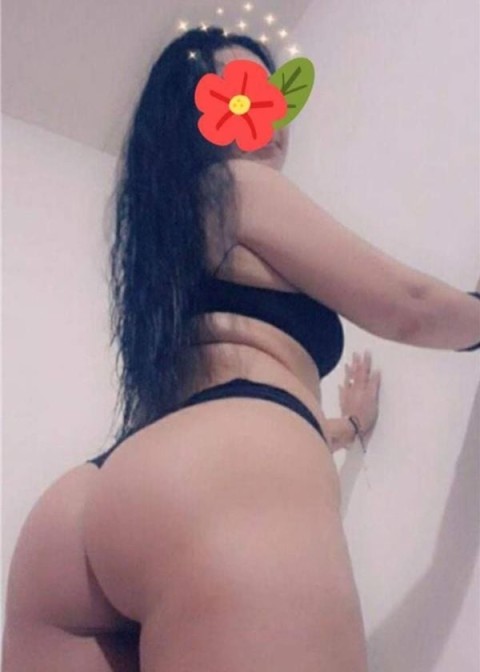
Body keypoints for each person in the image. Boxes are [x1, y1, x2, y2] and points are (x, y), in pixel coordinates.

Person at [3, 26, 479, 672]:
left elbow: (217, 404)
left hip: (76, 526)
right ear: (197, 112)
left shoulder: (164, 239)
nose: (271, 114)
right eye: (246, 94)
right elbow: (410, 306)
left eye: (279, 97)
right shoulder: (233, 186)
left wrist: (347, 426)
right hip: (226, 476)